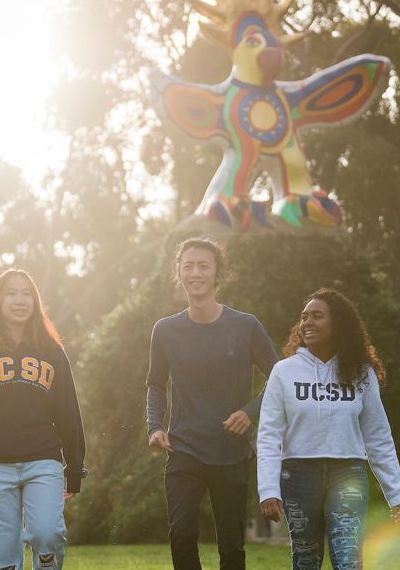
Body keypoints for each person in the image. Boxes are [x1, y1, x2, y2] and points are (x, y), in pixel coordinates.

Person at [146, 237, 279, 570]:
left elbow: (280, 379)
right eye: (188, 266)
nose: (195, 272)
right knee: (182, 535)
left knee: (232, 547)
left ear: (218, 274)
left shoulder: (246, 326)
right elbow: (155, 384)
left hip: (231, 451)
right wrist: (155, 425)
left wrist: (250, 412)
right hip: (184, 448)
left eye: (203, 266)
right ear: (179, 273)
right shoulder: (165, 330)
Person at [256, 288, 400, 570]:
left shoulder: (362, 373)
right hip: (298, 476)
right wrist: (268, 488)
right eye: (304, 317)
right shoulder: (284, 372)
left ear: (338, 323)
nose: (307, 323)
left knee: (349, 561)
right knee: (306, 562)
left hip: (347, 474)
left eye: (317, 316)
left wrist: (396, 491)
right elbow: (268, 434)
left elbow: (378, 436)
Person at [0, 269, 86, 570]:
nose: (19, 300)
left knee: (46, 533)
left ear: (36, 302)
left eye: (27, 294)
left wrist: (74, 468)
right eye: (11, 293)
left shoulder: (52, 352)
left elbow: (68, 413)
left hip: (43, 461)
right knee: (3, 559)